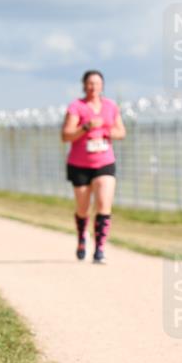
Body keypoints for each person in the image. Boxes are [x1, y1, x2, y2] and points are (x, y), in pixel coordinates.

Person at [61, 70, 126, 263]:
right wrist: (86, 127)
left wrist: (106, 131)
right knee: (83, 208)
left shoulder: (111, 106)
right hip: (79, 164)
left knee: (104, 204)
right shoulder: (76, 107)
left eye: (97, 83)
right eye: (90, 83)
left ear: (102, 85)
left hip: (104, 162)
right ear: (84, 85)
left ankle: (100, 249)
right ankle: (82, 236)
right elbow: (66, 135)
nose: (93, 87)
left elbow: (121, 132)